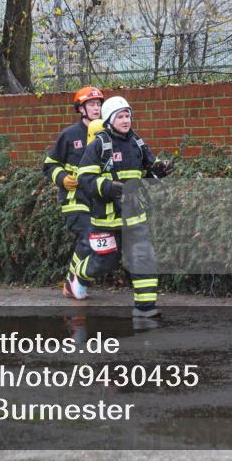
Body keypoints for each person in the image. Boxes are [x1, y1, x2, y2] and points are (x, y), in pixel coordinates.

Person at [68, 95, 173, 317]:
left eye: (128, 116)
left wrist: (159, 170)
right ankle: (79, 276)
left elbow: (147, 172)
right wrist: (107, 187)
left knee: (143, 257)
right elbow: (85, 179)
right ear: (109, 119)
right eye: (121, 116)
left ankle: (145, 308)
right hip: (104, 219)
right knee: (105, 260)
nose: (126, 120)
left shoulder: (137, 143)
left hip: (134, 216)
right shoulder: (99, 145)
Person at [43, 86, 103, 298]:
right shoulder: (69, 135)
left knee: (101, 244)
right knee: (88, 237)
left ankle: (77, 279)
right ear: (81, 108)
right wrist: (61, 178)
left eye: (98, 104)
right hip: (74, 198)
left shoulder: (108, 134)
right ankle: (73, 280)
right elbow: (49, 164)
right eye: (91, 104)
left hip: (99, 200)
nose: (96, 108)